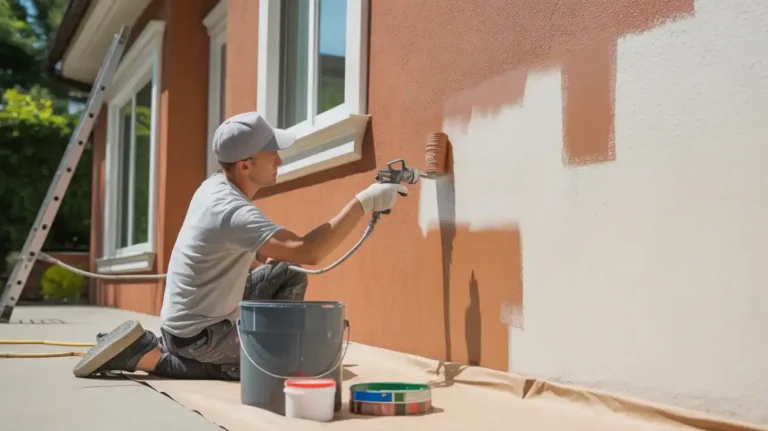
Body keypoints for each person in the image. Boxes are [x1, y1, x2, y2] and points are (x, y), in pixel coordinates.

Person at [72, 111, 408, 380]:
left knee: (287, 275)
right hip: (196, 337)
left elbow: (248, 253)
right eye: (271, 153)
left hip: (202, 318)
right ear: (246, 164)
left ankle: (256, 345)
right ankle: (147, 355)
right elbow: (310, 250)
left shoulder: (215, 186)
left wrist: (260, 273)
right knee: (277, 366)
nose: (279, 159)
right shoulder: (232, 210)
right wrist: (365, 201)